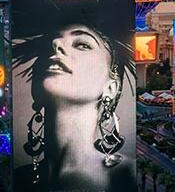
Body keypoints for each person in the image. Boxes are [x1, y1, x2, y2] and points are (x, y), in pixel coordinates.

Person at [13, 17, 136, 191]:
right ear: (35, 86)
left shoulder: (127, 176)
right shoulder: (19, 178)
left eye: (82, 44)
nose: (56, 43)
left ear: (111, 88)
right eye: (52, 40)